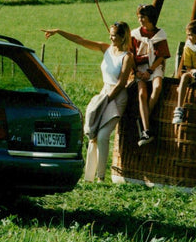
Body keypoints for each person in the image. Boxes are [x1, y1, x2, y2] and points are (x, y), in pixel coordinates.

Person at [43, 22, 134, 182]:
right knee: (93, 135)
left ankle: (101, 177)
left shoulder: (127, 56)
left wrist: (106, 100)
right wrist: (59, 31)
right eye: (110, 34)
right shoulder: (105, 48)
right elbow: (80, 40)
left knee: (103, 135)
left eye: (114, 35)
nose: (110, 37)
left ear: (122, 37)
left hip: (117, 96)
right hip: (104, 93)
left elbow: (121, 83)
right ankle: (89, 177)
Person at [131, 3, 170, 146]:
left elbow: (162, 56)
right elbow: (130, 55)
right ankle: (146, 129)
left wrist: (150, 70)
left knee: (157, 86)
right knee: (142, 94)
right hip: (139, 68)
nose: (141, 20)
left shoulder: (159, 34)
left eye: (143, 17)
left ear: (150, 18)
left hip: (154, 66)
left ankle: (144, 117)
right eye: (139, 17)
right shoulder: (135, 34)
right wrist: (136, 71)